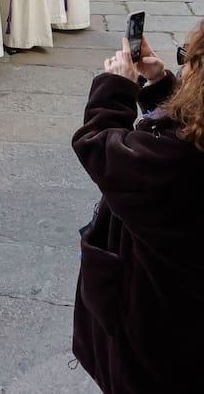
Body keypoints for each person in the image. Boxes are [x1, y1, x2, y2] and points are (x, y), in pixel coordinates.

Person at [71, 26, 204, 393]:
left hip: (157, 334)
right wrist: (161, 83)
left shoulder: (175, 164)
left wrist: (116, 86)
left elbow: (100, 147)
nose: (184, 69)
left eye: (188, 60)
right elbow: (191, 125)